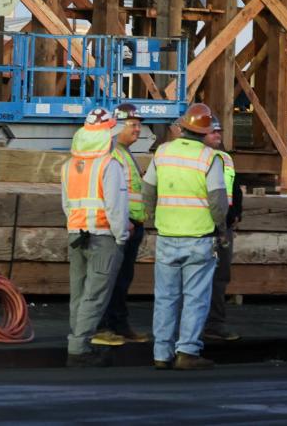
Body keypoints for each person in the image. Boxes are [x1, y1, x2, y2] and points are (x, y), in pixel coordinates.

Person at [143, 102, 227, 371]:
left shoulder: (163, 152)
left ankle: (161, 353)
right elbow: (217, 200)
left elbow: (148, 191)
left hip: (167, 235)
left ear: (184, 127)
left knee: (165, 297)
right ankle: (187, 351)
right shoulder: (209, 158)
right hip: (199, 237)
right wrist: (221, 229)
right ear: (205, 132)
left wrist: (151, 220)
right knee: (195, 297)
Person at [61, 107, 130, 367]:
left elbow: (67, 205)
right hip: (103, 237)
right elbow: (115, 207)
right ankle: (79, 349)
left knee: (78, 292)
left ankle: (77, 343)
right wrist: (121, 237)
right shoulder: (109, 166)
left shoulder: (70, 166)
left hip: (76, 235)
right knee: (95, 294)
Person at [93, 103, 150, 346]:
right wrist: (123, 222)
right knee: (111, 280)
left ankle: (118, 324)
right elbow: (112, 193)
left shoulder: (124, 153)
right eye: (133, 125)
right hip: (120, 226)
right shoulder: (113, 153)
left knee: (122, 280)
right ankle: (103, 325)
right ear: (117, 127)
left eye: (139, 125)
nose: (138, 130)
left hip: (131, 225)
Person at [202, 115, 243, 343]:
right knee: (198, 279)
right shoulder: (200, 159)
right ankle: (195, 326)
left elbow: (234, 187)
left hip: (223, 226)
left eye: (219, 132)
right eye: (213, 132)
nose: (218, 136)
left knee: (220, 277)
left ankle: (214, 324)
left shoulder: (225, 158)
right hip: (202, 226)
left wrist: (236, 212)